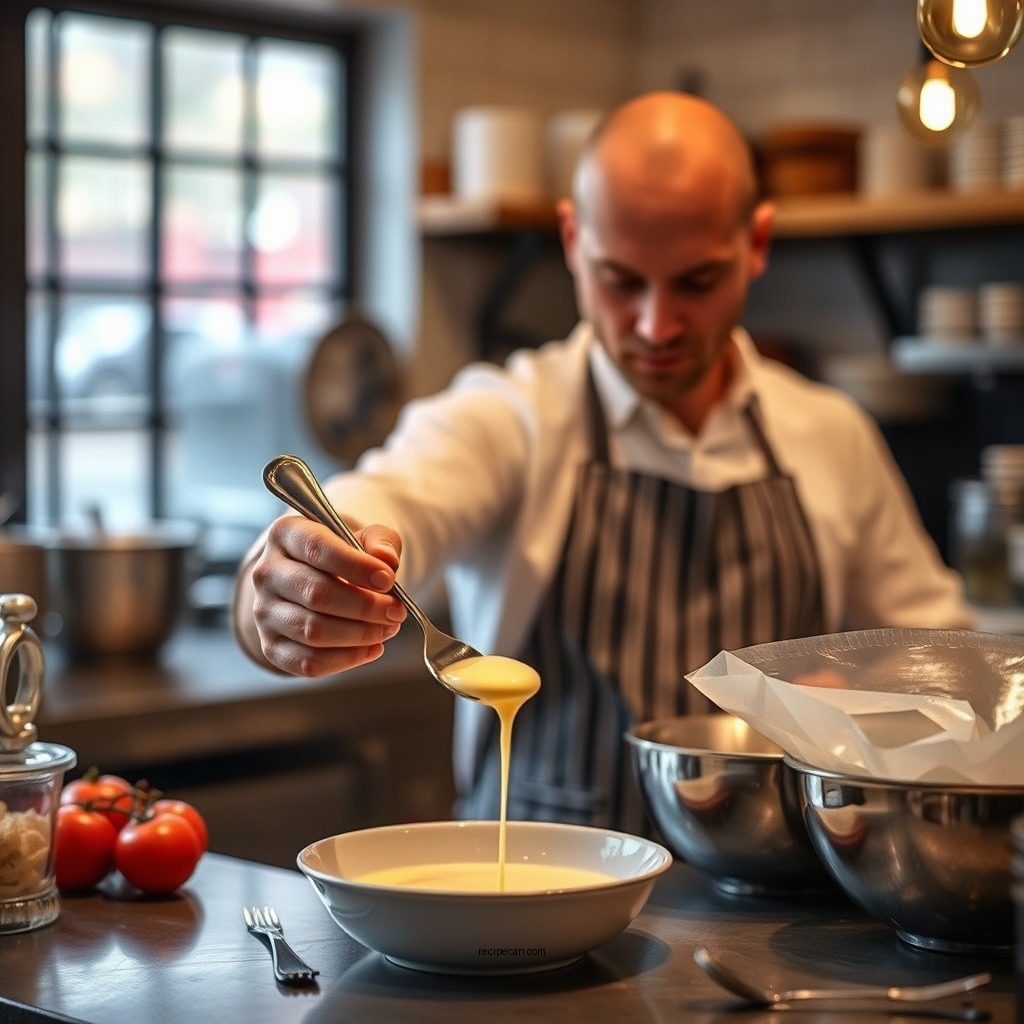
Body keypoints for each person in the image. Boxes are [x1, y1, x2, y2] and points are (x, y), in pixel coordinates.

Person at [233, 91, 973, 832]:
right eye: (621, 279)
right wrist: (290, 586)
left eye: (696, 281)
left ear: (756, 244)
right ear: (570, 239)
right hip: (525, 911)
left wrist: (858, 688)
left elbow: (952, 668)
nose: (656, 324)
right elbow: (390, 495)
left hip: (775, 918)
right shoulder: (514, 415)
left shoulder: (829, 434)